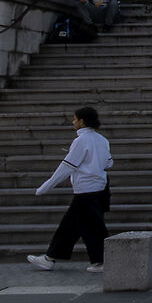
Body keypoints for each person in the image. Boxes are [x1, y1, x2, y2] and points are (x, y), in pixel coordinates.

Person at [29, 105, 112, 271]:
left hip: (85, 190)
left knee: (91, 228)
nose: (73, 122)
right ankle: (50, 258)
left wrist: (46, 186)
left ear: (82, 121)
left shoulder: (81, 141)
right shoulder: (102, 140)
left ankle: (102, 262)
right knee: (70, 226)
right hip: (100, 188)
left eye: (75, 119)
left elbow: (67, 166)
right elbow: (109, 163)